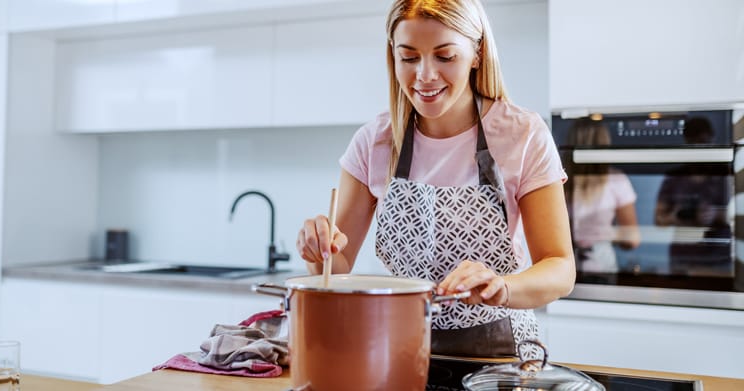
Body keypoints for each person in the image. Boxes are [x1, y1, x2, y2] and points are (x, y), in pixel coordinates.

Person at [296, 0, 575, 357]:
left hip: (501, 354)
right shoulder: (374, 142)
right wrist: (317, 249)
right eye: (409, 58)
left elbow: (560, 268)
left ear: (476, 54)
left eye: (445, 56)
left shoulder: (522, 134)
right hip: (399, 349)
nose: (425, 75)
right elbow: (336, 267)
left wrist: (501, 287)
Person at [654, 117, 733, 276]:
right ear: (686, 142)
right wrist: (674, 216)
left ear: (712, 139)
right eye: (693, 143)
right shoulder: (674, 176)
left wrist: (713, 213)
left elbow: (738, 214)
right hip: (682, 258)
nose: (699, 148)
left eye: (703, 142)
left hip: (719, 259)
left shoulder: (726, 173)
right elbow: (658, 219)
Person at [565, 119, 641, 273]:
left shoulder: (559, 181)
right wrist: (607, 233)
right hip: (598, 264)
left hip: (567, 265)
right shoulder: (617, 181)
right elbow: (632, 240)